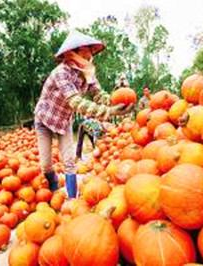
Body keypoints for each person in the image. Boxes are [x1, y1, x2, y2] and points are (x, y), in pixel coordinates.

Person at [34, 30, 133, 198]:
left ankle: (73, 199)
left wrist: (117, 101)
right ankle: (53, 186)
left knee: (69, 162)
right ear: (71, 54)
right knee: (46, 165)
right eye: (83, 51)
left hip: (63, 121)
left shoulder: (87, 73)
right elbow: (76, 102)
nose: (88, 54)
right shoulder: (61, 73)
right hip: (45, 119)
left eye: (90, 50)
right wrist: (109, 113)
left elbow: (98, 95)